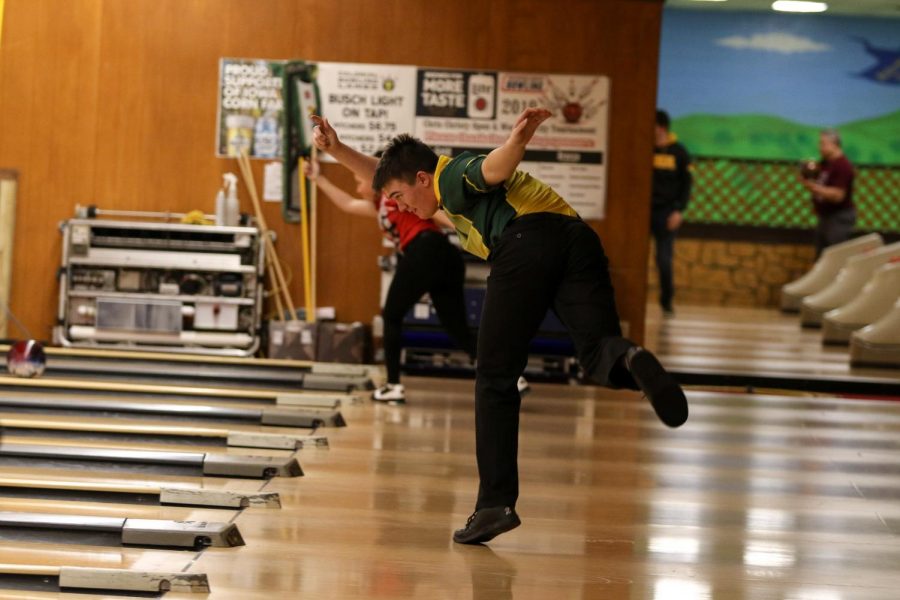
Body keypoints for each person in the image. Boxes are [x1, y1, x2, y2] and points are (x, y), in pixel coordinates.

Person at [371, 107, 689, 544]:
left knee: (494, 376)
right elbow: (385, 173)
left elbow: (493, 167)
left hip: (526, 243)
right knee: (599, 353)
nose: (399, 207)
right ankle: (633, 359)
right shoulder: (449, 207)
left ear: (422, 179)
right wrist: (337, 151)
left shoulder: (449, 174)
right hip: (578, 241)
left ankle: (494, 506)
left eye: (399, 196)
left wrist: (518, 139)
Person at [308, 116, 530, 405]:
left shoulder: (395, 197)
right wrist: (318, 178)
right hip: (444, 258)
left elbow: (439, 212)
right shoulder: (383, 204)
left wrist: (475, 232)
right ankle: (512, 376)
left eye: (357, 178)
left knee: (391, 315)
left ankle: (393, 385)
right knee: (456, 328)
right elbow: (347, 204)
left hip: (427, 250)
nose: (357, 184)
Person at [651, 110, 692, 316]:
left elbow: (687, 184)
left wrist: (679, 211)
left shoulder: (679, 152)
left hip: (667, 213)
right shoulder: (644, 148)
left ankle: (666, 301)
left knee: (663, 260)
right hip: (643, 212)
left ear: (661, 127)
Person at [800, 129, 856, 257]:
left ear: (834, 144)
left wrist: (814, 188)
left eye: (823, 143)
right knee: (821, 258)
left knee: (834, 257)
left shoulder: (843, 166)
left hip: (838, 218)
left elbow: (838, 196)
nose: (820, 147)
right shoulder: (825, 163)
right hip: (825, 217)